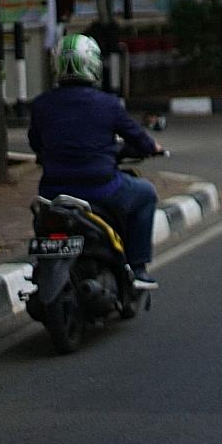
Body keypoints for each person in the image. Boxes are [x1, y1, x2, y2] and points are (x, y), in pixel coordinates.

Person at [28, 34, 163, 289]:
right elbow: (139, 139)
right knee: (146, 193)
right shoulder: (108, 104)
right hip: (101, 190)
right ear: (93, 64)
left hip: (53, 192)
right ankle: (138, 267)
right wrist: (153, 147)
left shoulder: (41, 104)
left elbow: (37, 143)